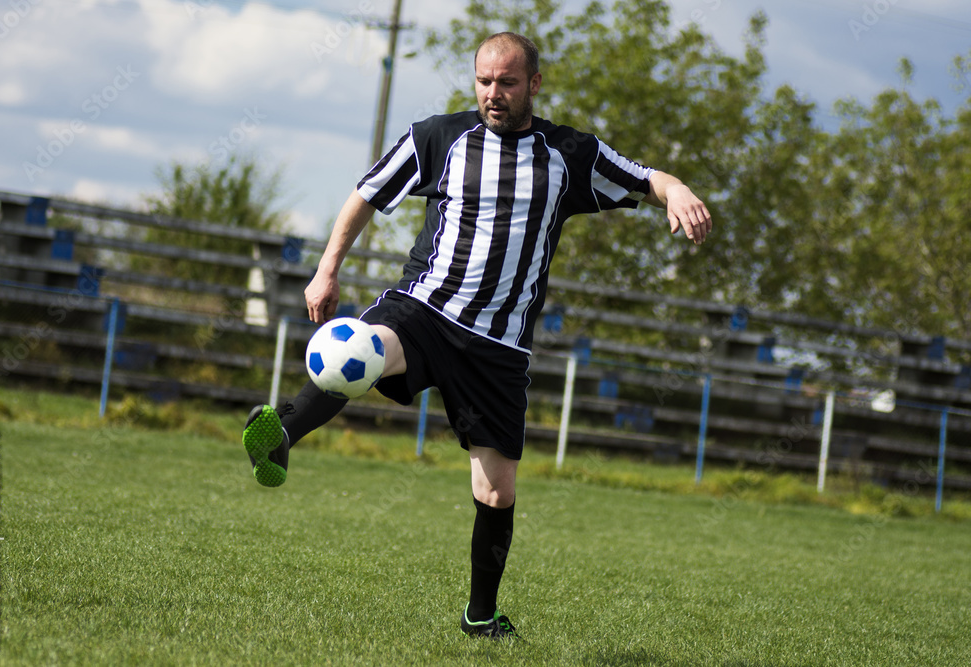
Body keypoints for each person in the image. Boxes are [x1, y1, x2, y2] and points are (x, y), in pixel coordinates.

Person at [242, 31, 712, 640]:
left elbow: (646, 177)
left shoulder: (571, 154)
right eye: (485, 81)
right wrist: (326, 267)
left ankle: (481, 616)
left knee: (496, 490)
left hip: (501, 344)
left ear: (534, 84)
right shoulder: (438, 137)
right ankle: (281, 432)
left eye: (508, 82)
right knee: (358, 349)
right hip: (427, 308)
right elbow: (366, 192)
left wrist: (678, 191)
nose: (494, 93)